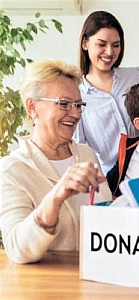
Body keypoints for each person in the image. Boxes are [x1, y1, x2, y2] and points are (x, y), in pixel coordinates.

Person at [0, 60, 112, 264]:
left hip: (94, 279)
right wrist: (56, 197)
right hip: (47, 290)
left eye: (79, 105)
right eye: (64, 104)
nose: (76, 113)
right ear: (32, 107)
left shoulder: (87, 155)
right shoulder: (12, 170)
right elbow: (17, 249)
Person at [74, 11, 139, 175]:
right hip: (107, 182)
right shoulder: (77, 94)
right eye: (102, 44)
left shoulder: (136, 77)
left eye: (116, 45)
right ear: (85, 43)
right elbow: (80, 148)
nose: (109, 52)